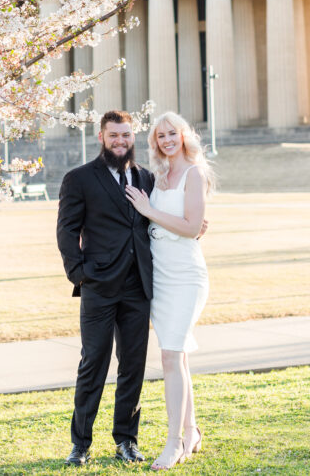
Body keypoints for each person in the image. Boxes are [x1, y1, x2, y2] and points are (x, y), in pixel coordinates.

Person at [56, 110, 156, 466]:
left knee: (133, 365)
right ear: (102, 137)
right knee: (93, 363)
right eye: (114, 135)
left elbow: (152, 226)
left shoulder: (146, 177)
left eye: (126, 135)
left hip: (137, 286)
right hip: (99, 285)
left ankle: (126, 440)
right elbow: (67, 231)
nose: (120, 141)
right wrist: (79, 274)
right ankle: (80, 444)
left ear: (133, 137)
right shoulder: (80, 178)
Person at [124, 111, 212, 471]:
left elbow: (192, 228)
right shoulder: (157, 176)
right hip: (158, 275)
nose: (166, 140)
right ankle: (191, 431)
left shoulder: (194, 173)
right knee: (179, 356)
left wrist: (148, 210)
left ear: (183, 135)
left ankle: (173, 442)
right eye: (160, 136)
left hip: (186, 275)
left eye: (171, 133)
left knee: (170, 356)